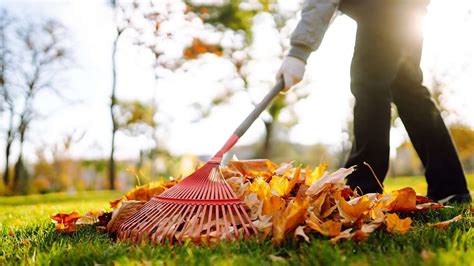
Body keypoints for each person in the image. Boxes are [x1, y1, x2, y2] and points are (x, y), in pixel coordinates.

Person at [277, 0, 471, 203]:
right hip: (408, 10)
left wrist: (299, 52)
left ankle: (362, 189)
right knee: (409, 91)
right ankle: (450, 187)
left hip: (383, 8)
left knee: (370, 86)